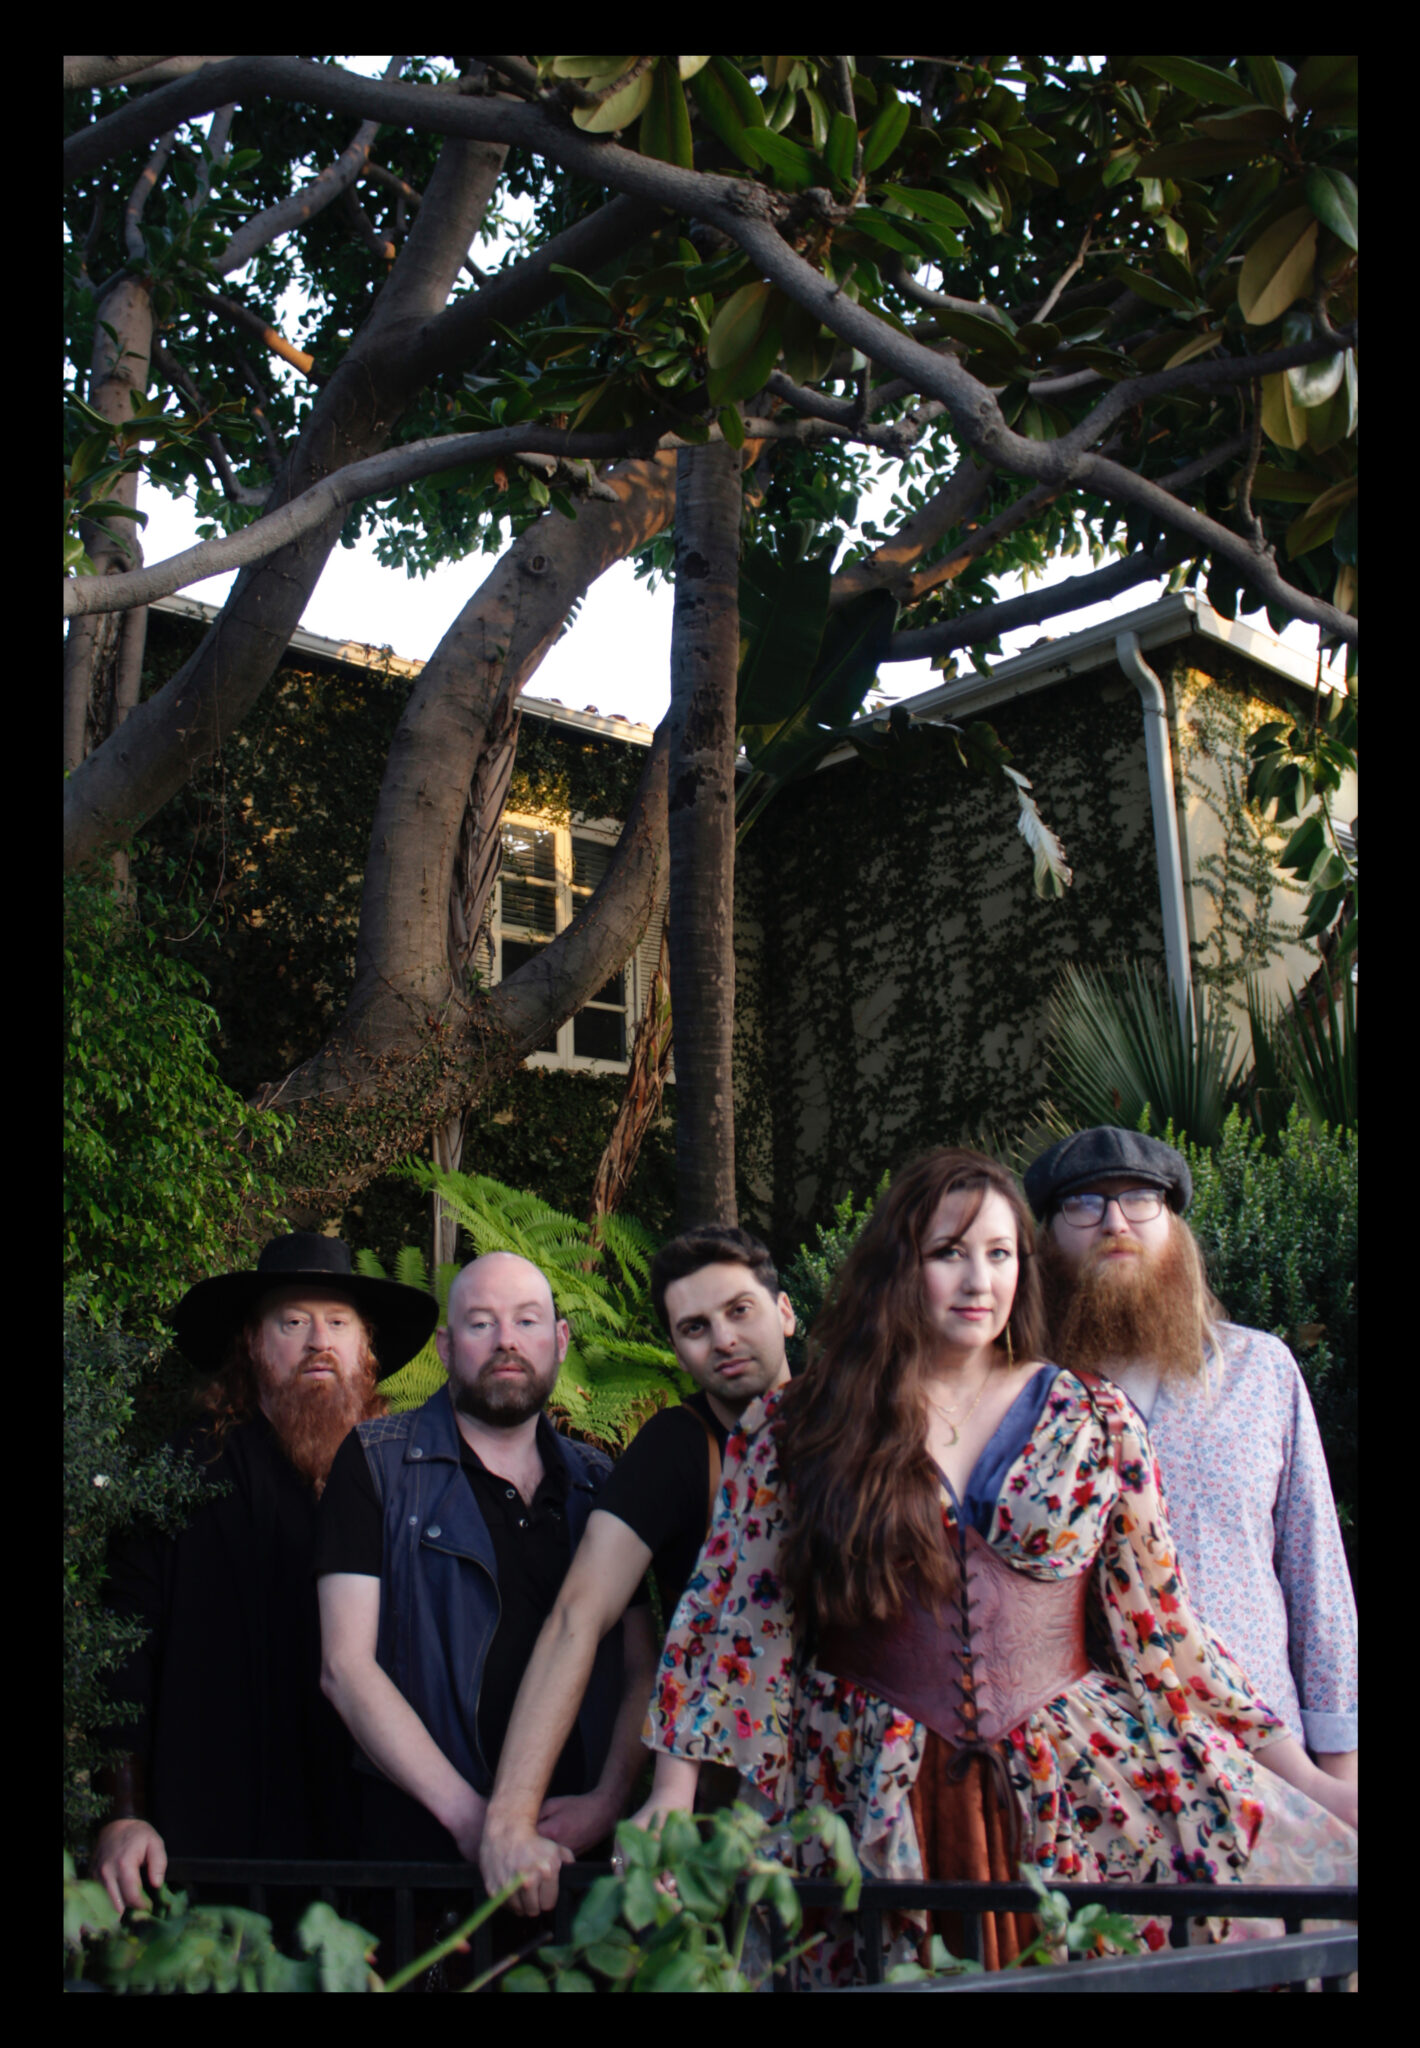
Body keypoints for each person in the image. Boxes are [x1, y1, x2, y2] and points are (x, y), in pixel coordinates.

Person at [637, 1150, 1358, 1985]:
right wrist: (670, 1797)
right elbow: (732, 1620)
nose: (979, 1280)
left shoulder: (1095, 1419)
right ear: (898, 1264)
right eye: (950, 1252)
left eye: (1001, 1253)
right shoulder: (798, 1425)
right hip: (862, 1786)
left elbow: (1163, 1630)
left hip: (1063, 1789)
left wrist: (1313, 1784)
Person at [91, 1233, 438, 1916]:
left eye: (338, 1323)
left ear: (365, 1350)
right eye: (293, 1322)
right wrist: (122, 1813)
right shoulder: (179, 1477)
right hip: (215, 1835)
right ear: (252, 1344)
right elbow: (120, 1650)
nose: (319, 1342)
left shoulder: (408, 1482)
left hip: (370, 1845)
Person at [1025, 1124, 1358, 1792]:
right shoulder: (1022, 1393)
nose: (1114, 1221)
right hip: (1095, 1775)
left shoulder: (1260, 1370)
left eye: (1141, 1198)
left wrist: (1341, 1775)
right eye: (1083, 1203)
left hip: (1266, 1767)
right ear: (1047, 1240)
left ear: (1174, 1228)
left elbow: (1316, 1577)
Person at [479, 1225, 795, 1914]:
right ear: (677, 1349)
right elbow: (578, 1616)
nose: (723, 1339)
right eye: (695, 1327)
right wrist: (510, 1819)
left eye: (740, 1310)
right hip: (729, 1801)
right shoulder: (676, 1450)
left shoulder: (858, 1423)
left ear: (785, 1312)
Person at [316, 1251, 658, 1866]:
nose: (506, 1341)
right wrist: (479, 1824)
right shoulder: (375, 1464)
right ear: (445, 1348)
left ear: (560, 1341)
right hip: (425, 1862)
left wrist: (608, 1801)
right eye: (481, 1323)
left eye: (526, 1321)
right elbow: (346, 1667)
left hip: (577, 1857)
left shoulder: (599, 1482)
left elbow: (640, 1667)